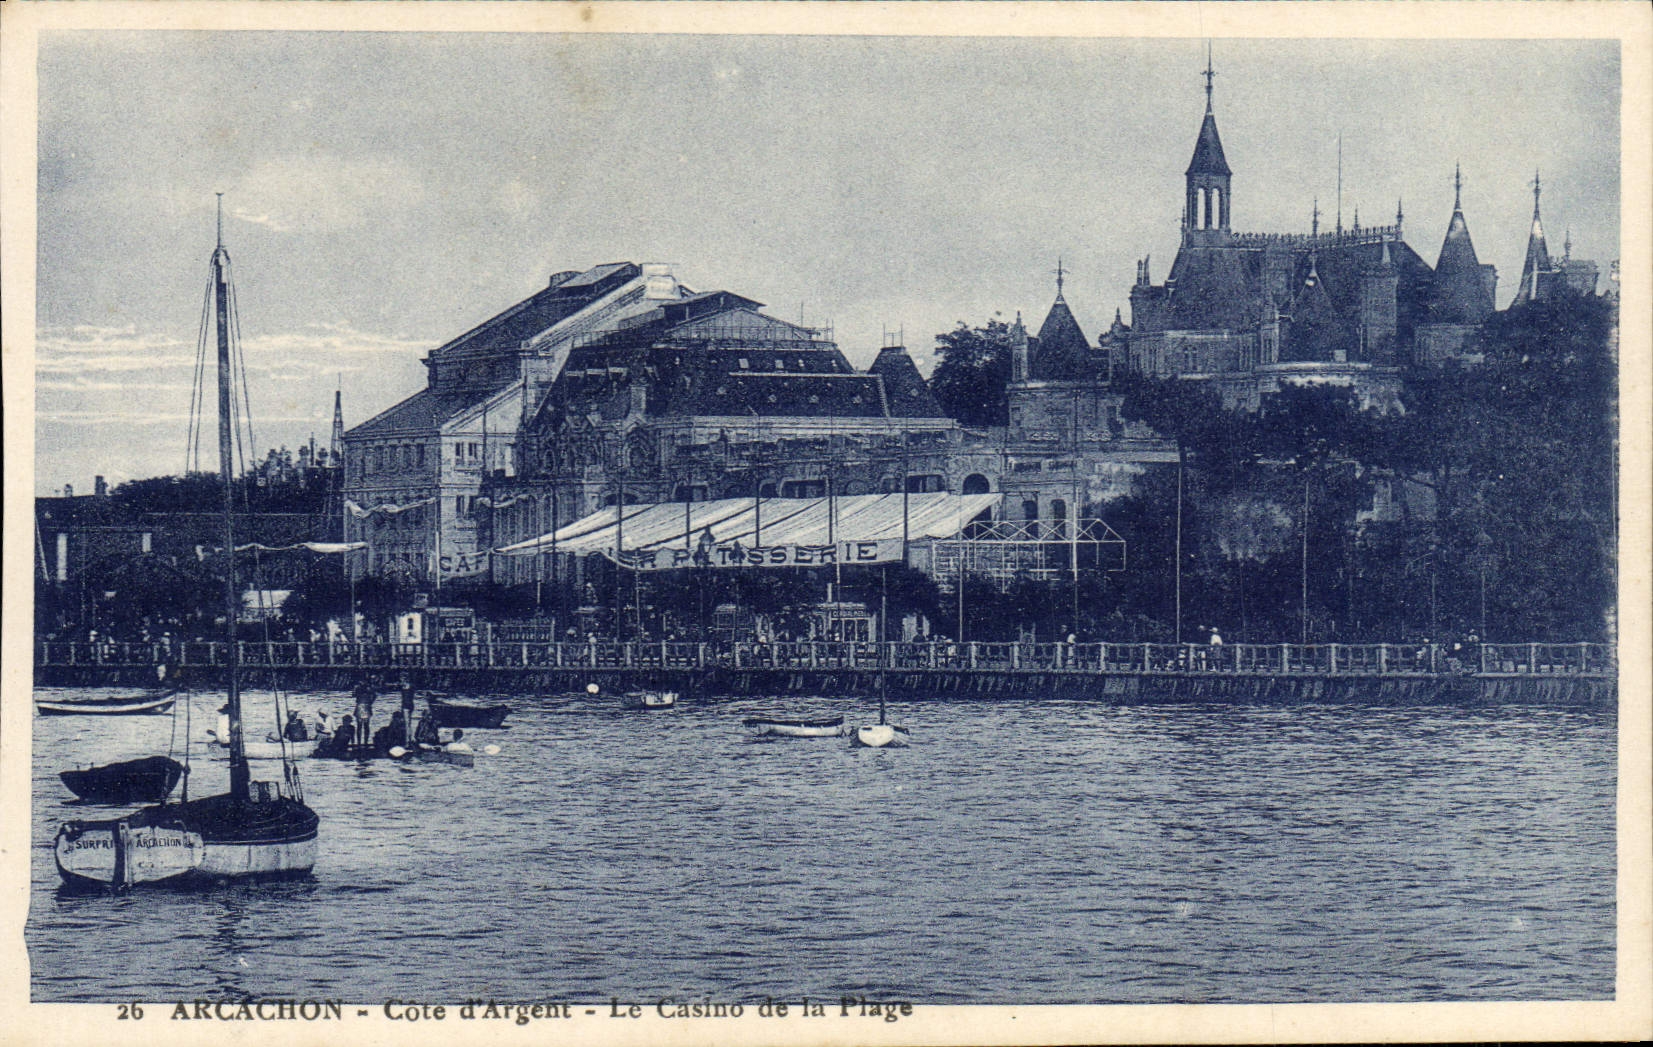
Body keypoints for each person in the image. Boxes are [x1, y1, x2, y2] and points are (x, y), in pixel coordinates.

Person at [352, 675, 378, 746]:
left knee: (365, 726)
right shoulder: (359, 688)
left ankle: (364, 742)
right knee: (360, 726)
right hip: (361, 706)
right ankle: (359, 743)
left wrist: (370, 703)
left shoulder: (369, 688)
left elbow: (375, 695)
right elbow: (353, 695)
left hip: (364, 706)